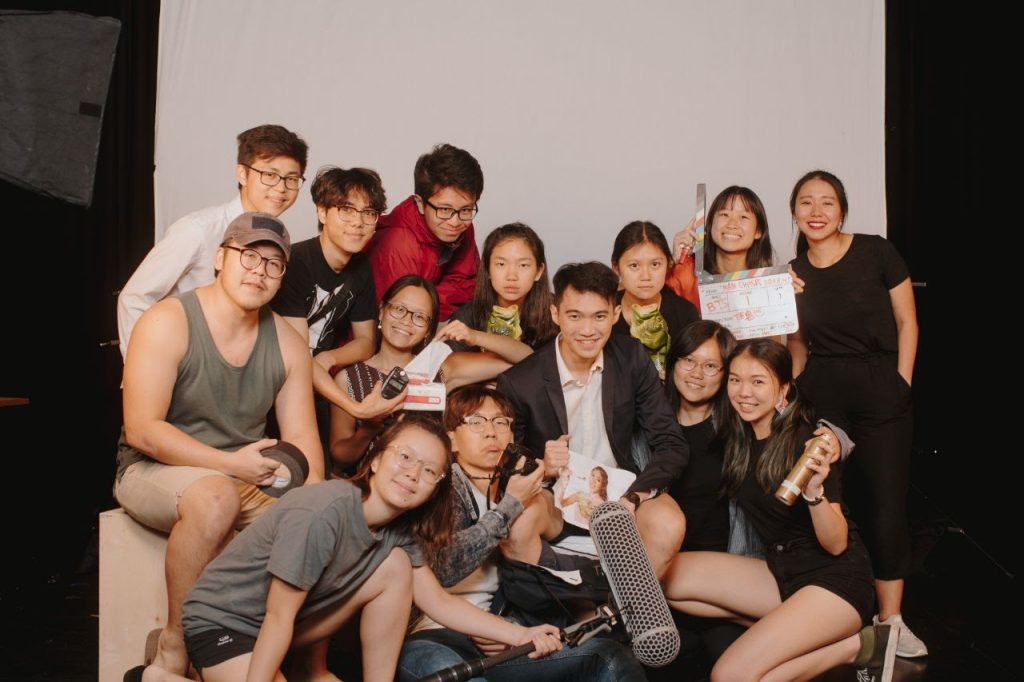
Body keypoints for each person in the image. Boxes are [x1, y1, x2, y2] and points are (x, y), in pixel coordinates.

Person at [124, 415, 561, 682]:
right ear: (375, 459)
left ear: (435, 489)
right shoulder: (324, 510)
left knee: (394, 569)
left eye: (429, 470)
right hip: (226, 623)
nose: (412, 474)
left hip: (285, 627)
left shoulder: (398, 534)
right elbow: (278, 617)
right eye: (404, 457)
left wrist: (520, 634)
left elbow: (439, 602)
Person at [114, 213, 324, 677]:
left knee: (319, 521)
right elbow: (143, 429)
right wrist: (229, 465)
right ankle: (174, 644)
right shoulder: (168, 320)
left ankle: (272, 652)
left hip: (243, 474)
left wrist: (313, 509)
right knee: (215, 497)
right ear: (219, 258)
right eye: (249, 255)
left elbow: (304, 444)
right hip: (153, 469)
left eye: (274, 264)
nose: (259, 271)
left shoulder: (289, 345)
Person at [662, 339, 897, 682]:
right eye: (735, 379)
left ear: (783, 388)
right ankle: (797, 631)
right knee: (663, 576)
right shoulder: (738, 436)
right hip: (782, 570)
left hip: (835, 581)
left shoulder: (806, 442)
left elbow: (836, 544)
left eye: (758, 381)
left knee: (730, 676)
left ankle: (856, 647)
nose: (744, 392)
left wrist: (815, 492)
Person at [397, 387, 646, 682]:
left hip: (499, 637)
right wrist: (509, 507)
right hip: (433, 634)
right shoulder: (439, 484)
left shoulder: (516, 487)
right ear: (451, 437)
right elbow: (444, 566)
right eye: (476, 422)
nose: (491, 433)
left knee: (608, 658)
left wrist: (552, 483)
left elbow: (555, 536)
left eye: (500, 422)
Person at [787, 169, 925, 657]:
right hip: (824, 393)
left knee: (886, 503)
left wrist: (901, 382)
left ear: (842, 209)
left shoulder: (877, 251)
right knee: (830, 501)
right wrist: (793, 391)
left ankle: (891, 621)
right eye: (806, 202)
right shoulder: (794, 273)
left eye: (827, 202)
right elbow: (798, 343)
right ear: (794, 212)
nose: (817, 211)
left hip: (880, 388)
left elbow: (908, 321)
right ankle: (842, 609)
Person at [496, 262, 688, 578]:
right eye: (575, 316)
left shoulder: (631, 358)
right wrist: (543, 464)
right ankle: (553, 609)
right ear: (555, 313)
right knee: (518, 525)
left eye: (599, 316)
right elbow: (505, 465)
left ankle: (620, 611)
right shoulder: (521, 381)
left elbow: (671, 442)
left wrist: (633, 497)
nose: (588, 330)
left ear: (615, 314)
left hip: (621, 493)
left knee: (670, 523)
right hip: (554, 497)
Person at [118, 124, 308, 357]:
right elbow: (135, 298)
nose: (281, 188)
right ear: (242, 173)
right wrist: (142, 370)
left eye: (291, 179)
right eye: (269, 175)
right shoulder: (199, 229)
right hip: (183, 362)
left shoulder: (279, 239)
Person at [271, 166, 402, 461]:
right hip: (277, 386)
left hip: (316, 383)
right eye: (346, 210)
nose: (358, 223)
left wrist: (329, 358)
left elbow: (367, 341)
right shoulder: (295, 263)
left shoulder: (361, 269)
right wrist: (356, 408)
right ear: (322, 212)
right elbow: (299, 359)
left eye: (368, 213)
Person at [328, 276, 441, 470]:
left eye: (420, 316)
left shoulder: (438, 370)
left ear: (429, 330)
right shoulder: (348, 378)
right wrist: (369, 428)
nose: (407, 321)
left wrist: (472, 335)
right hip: (368, 487)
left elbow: (512, 356)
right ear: (381, 311)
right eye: (399, 309)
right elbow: (340, 457)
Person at [369, 143, 483, 320]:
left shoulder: (461, 223)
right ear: (420, 203)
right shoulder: (398, 243)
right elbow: (402, 318)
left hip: (429, 328)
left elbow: (470, 284)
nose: (455, 221)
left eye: (466, 210)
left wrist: (428, 304)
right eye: (444, 209)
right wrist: (431, 306)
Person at [436, 222, 559, 385]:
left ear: (538, 271)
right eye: (501, 264)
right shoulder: (470, 313)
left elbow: (555, 370)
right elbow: (448, 369)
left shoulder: (557, 312)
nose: (511, 276)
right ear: (487, 270)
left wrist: (476, 338)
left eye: (523, 265)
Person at [666, 185, 799, 309]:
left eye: (743, 217)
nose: (732, 224)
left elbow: (775, 332)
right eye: (724, 214)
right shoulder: (686, 272)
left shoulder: (769, 283)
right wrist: (672, 263)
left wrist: (788, 303)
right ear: (710, 225)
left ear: (758, 231)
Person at [611, 221, 699, 376]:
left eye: (655, 264)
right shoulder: (604, 311)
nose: (646, 276)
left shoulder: (685, 313)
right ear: (616, 268)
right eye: (634, 266)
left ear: (668, 264)